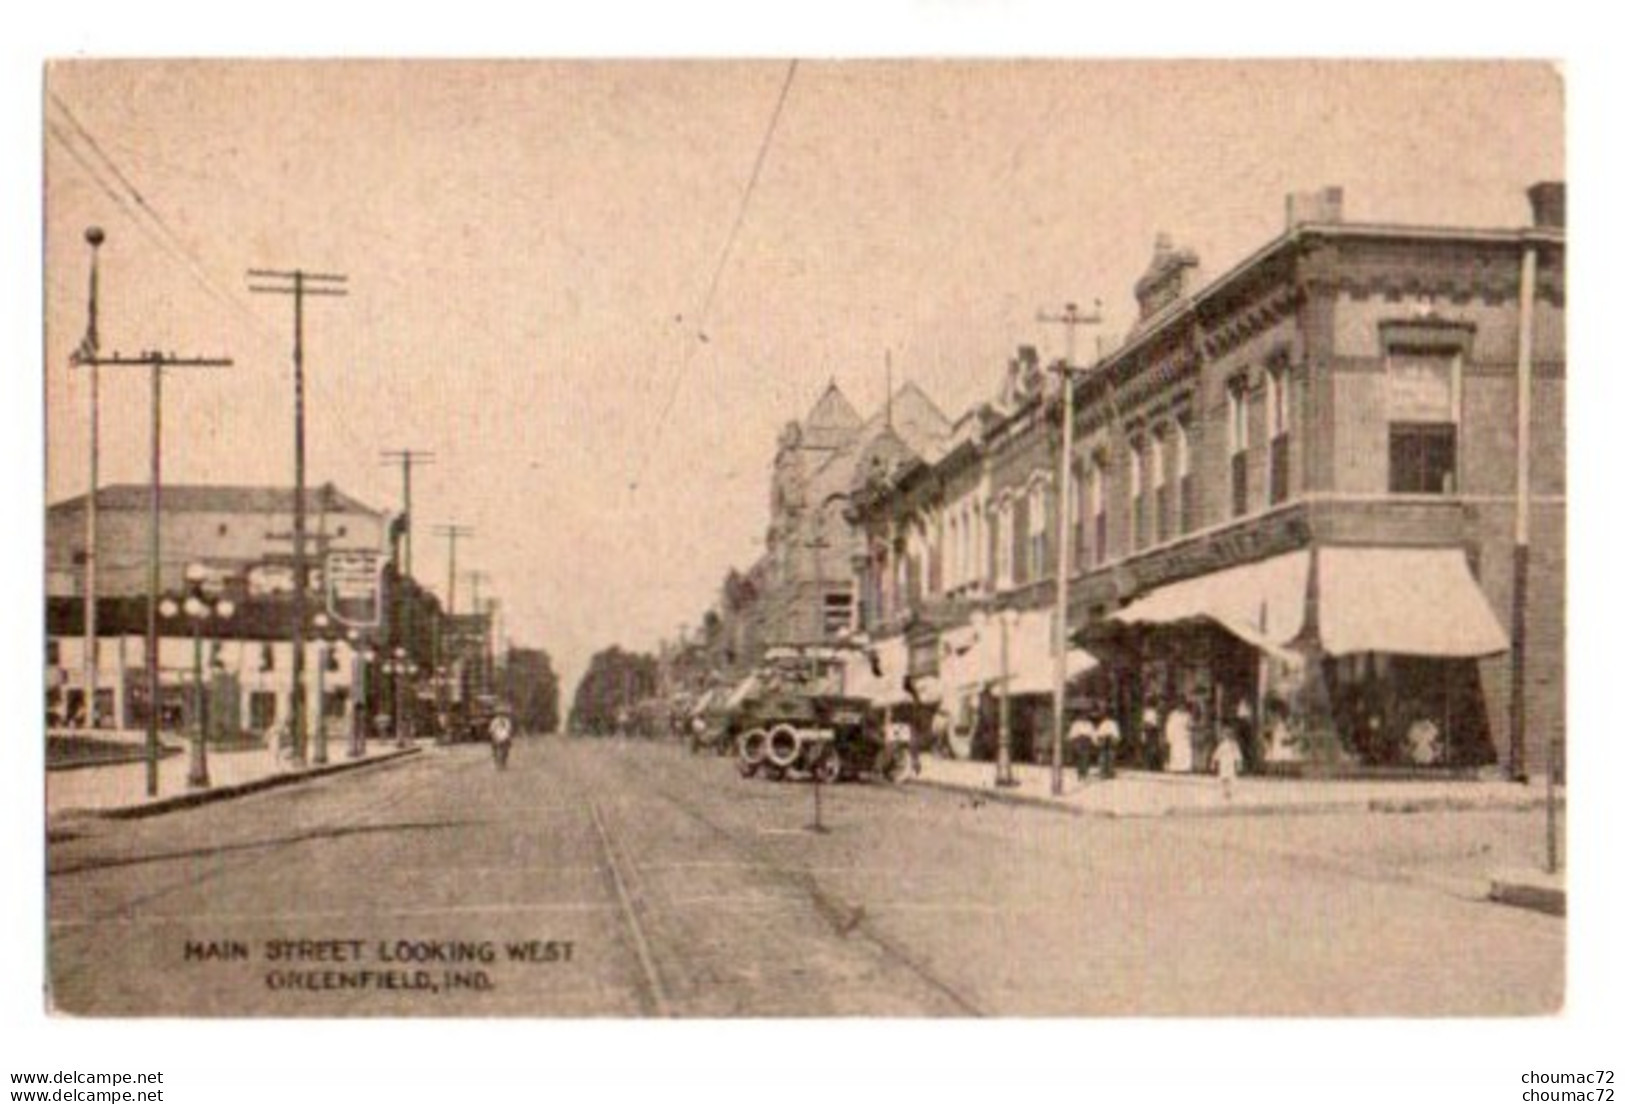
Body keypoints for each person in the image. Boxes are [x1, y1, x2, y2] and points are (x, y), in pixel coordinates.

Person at [1090, 699, 1121, 780]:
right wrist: (1097, 740)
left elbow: (1115, 732)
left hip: (1110, 739)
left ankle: (1109, 771)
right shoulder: (1100, 722)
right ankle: (1103, 771)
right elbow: (1097, 733)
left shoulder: (1112, 722)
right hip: (1103, 738)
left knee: (1110, 755)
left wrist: (1115, 738)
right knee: (1103, 756)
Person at [1212, 722, 1244, 800]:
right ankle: (1225, 791)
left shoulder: (1234, 745)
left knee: (1230, 777)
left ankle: (1228, 791)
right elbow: (1217, 753)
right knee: (1224, 778)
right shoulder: (1222, 745)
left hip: (1230, 762)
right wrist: (1214, 762)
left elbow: (1237, 754)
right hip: (1224, 762)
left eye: (1227, 735)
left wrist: (1239, 763)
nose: (1226, 737)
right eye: (1225, 735)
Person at [1165, 698, 1194, 773]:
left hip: (1184, 736)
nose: (1182, 707)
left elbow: (1190, 725)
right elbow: (1169, 726)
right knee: (1176, 752)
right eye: (1180, 705)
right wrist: (1169, 737)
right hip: (1176, 736)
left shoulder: (1187, 715)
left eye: (1183, 705)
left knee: (1185, 751)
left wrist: (1189, 730)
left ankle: (1185, 768)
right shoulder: (1173, 714)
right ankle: (1175, 768)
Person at [1068, 703, 1096, 781]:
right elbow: (1072, 733)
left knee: (1086, 757)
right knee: (1080, 757)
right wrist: (1073, 742)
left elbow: (1092, 733)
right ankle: (1080, 773)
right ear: (1080, 716)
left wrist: (1094, 741)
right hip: (1079, 740)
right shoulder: (1076, 724)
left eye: (1086, 716)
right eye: (1082, 715)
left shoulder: (1089, 724)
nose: (1084, 717)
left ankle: (1085, 773)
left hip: (1087, 741)